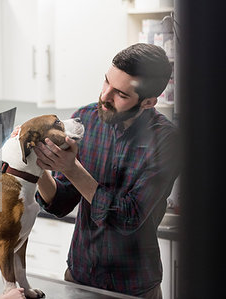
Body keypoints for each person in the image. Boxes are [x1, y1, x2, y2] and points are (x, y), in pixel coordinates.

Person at [33, 43, 180, 298]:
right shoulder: (86, 119)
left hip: (133, 287)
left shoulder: (167, 141)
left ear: (148, 102)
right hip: (79, 276)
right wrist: (38, 166)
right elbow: (60, 203)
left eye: (121, 95)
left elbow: (129, 217)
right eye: (106, 83)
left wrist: (72, 169)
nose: (105, 97)